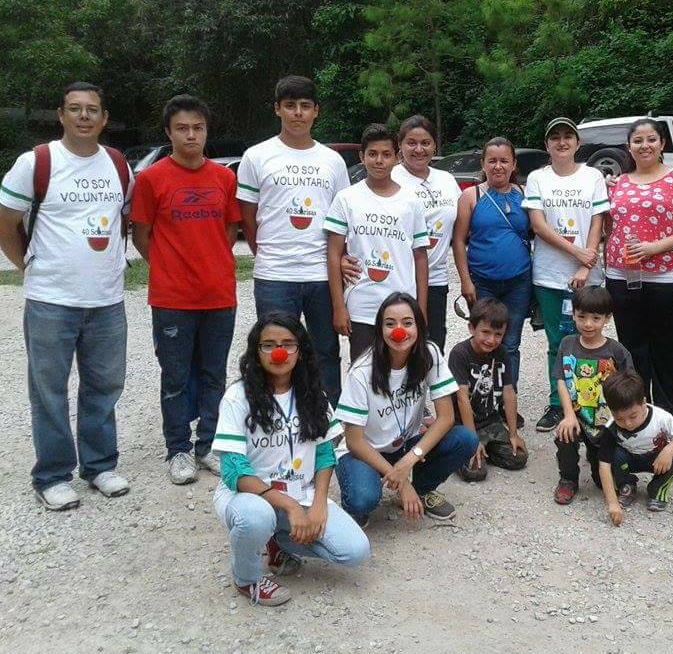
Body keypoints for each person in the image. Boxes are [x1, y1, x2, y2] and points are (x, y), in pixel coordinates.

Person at [0, 81, 132, 510]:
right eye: (74, 109)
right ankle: (53, 475)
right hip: (51, 300)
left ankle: (98, 466)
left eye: (92, 109)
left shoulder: (117, 164)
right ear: (61, 115)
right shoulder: (35, 162)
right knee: (49, 389)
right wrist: (29, 267)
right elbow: (6, 222)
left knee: (104, 385)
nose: (83, 116)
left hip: (107, 299)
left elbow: (121, 219)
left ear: (104, 118)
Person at [211, 313, 369, 607]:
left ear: (300, 350)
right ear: (256, 352)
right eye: (268, 345)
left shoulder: (313, 395)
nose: (279, 352)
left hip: (302, 493)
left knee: (355, 551)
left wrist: (319, 502)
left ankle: (277, 539)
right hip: (248, 496)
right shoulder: (237, 397)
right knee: (256, 517)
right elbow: (233, 469)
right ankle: (247, 579)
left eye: (287, 344)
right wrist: (290, 507)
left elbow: (324, 452)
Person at [131, 94, 241, 485]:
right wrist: (168, 262)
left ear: (207, 131)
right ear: (169, 132)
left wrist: (208, 257)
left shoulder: (225, 178)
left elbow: (230, 229)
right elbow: (141, 234)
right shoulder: (151, 178)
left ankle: (208, 444)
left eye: (198, 128)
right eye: (182, 128)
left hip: (219, 293)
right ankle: (177, 448)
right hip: (172, 297)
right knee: (175, 376)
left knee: (214, 374)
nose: (191, 135)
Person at [236, 75, 350, 403]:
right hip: (275, 276)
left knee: (326, 352)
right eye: (290, 106)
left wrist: (338, 260)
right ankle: (278, 416)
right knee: (277, 353)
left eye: (304, 106)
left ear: (316, 111)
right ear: (277, 110)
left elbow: (343, 219)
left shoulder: (332, 161)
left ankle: (328, 420)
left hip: (321, 276)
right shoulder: (256, 156)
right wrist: (267, 253)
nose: (297, 113)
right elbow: (248, 216)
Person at [333, 293, 478, 526]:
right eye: (390, 324)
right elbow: (354, 442)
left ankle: (422, 488)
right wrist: (402, 481)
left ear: (419, 326)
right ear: (380, 329)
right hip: (364, 452)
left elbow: (446, 418)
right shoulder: (362, 371)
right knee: (363, 499)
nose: (399, 331)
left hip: (404, 446)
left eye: (407, 323)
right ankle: (359, 505)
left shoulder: (429, 354)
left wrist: (409, 461)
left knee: (465, 439)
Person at [605, 118, 673, 427]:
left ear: (662, 144)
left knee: (666, 348)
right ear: (629, 146)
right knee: (632, 349)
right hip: (622, 276)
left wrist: (653, 248)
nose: (644, 145)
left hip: (667, 277)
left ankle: (670, 416)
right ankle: (637, 413)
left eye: (651, 139)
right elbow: (607, 225)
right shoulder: (618, 183)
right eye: (638, 140)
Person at [523, 118, 608, 433]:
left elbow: (597, 221)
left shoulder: (592, 176)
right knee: (557, 342)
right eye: (555, 137)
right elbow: (538, 226)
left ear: (577, 142)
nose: (561, 142)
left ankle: (590, 404)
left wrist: (586, 265)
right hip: (549, 275)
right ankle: (558, 404)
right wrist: (577, 255)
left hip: (588, 275)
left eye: (567, 137)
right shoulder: (537, 178)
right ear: (547, 145)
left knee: (591, 338)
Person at [325, 125, 429, 361]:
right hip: (362, 306)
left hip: (402, 305)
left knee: (402, 373)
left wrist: (421, 309)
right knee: (363, 373)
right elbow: (333, 254)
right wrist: (339, 307)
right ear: (362, 156)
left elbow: (420, 257)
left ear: (396, 157)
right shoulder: (346, 198)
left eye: (386, 154)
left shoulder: (411, 202)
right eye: (372, 154)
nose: (379, 161)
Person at [452, 137, 532, 390]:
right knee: (483, 339)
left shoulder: (523, 194)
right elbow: (458, 241)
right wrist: (465, 280)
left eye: (504, 161)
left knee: (510, 342)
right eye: (492, 161)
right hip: (482, 281)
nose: (498, 166)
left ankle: (508, 399)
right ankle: (483, 397)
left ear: (513, 164)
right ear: (483, 164)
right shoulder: (471, 196)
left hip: (519, 281)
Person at [552, 286, 634, 505]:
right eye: (582, 317)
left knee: (603, 480)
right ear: (574, 314)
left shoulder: (616, 352)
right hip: (577, 415)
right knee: (564, 434)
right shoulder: (567, 345)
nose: (588, 324)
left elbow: (631, 387)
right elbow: (561, 379)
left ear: (607, 318)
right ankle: (568, 479)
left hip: (607, 421)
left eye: (596, 318)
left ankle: (605, 463)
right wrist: (568, 415)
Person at [448, 297, 528, 481]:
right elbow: (462, 398)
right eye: (485, 332)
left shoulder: (502, 353)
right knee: (475, 473)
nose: (491, 340)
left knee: (519, 458)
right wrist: (472, 440)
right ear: (471, 328)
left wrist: (513, 433)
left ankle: (486, 447)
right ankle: (465, 448)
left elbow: (509, 393)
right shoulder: (459, 354)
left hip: (490, 422)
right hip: (462, 424)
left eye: (498, 334)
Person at [598, 370, 673, 525]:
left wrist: (668, 451)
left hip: (656, 459)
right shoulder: (610, 427)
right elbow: (604, 465)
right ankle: (626, 484)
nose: (628, 423)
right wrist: (612, 503)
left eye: (633, 416)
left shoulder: (661, 417)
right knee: (615, 455)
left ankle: (657, 490)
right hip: (628, 458)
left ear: (644, 403)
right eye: (619, 418)